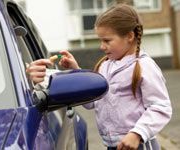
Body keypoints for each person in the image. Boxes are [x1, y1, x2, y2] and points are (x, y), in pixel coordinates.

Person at [26, 4, 172, 150]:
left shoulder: (144, 66)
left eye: (107, 41)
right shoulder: (104, 65)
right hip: (112, 145)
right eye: (100, 40)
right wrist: (76, 71)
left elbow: (160, 107)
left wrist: (137, 133)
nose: (102, 46)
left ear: (129, 36)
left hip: (139, 145)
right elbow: (92, 102)